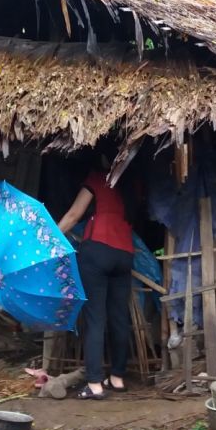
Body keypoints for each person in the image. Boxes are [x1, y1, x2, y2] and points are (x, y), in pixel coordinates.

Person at [57, 159, 135, 400]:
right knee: (119, 317)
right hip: (125, 253)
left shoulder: (98, 179)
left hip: (97, 251)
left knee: (95, 319)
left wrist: (49, 239)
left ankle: (94, 384)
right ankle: (117, 378)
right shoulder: (130, 185)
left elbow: (73, 215)